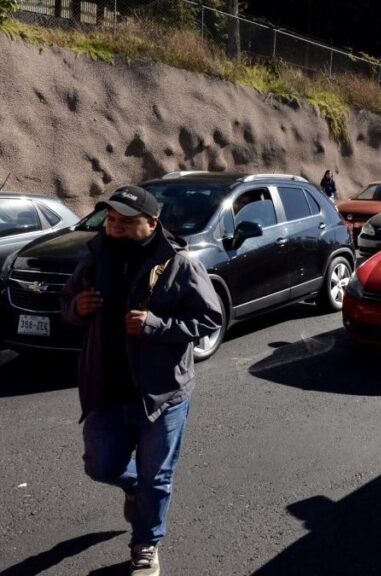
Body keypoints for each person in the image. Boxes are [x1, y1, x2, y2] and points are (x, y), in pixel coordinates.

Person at [60, 185, 222, 576]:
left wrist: (156, 326)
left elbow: (210, 317)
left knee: (159, 477)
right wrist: (76, 308)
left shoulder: (179, 264)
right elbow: (67, 302)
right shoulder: (96, 258)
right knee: (100, 466)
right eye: (111, 220)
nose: (114, 228)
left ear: (152, 224)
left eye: (125, 222)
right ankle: (135, 487)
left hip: (162, 393)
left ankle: (146, 543)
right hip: (107, 388)